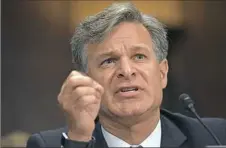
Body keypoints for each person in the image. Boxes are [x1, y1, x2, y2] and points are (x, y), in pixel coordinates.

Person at [26, 2, 226, 148]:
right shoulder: (48, 144)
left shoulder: (214, 137)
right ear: (85, 82)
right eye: (109, 61)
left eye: (139, 56)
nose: (127, 71)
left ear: (162, 73)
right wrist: (79, 139)